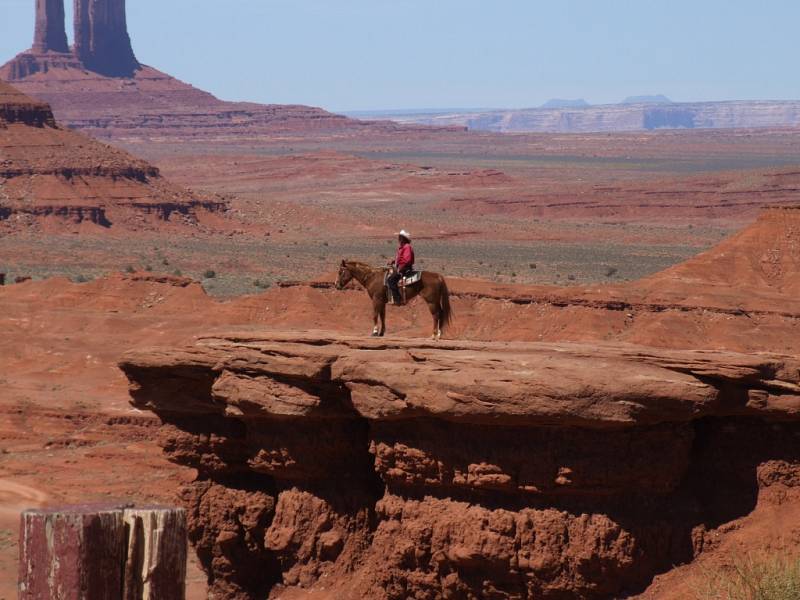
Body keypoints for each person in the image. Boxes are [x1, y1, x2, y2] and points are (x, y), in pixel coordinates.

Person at [387, 230, 415, 304]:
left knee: (391, 280)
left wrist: (400, 268)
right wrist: (393, 261)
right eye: (399, 237)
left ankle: (398, 300)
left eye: (400, 237)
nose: (398, 239)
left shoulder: (407, 247)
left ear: (403, 238)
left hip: (404, 268)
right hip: (401, 266)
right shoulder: (402, 247)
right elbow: (400, 258)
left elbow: (407, 260)